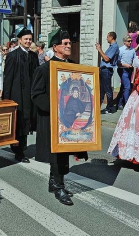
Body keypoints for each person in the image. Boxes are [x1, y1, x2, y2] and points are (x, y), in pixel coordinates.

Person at [31, 28, 88, 205]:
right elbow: (36, 94)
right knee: (57, 154)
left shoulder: (73, 67)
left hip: (69, 119)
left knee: (62, 153)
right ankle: (59, 186)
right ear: (55, 47)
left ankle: (54, 182)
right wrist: (56, 107)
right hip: (52, 118)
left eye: (70, 43)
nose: (69, 46)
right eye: (65, 44)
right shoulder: (44, 69)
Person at [3, 27, 39, 163]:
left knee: (26, 121)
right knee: (18, 123)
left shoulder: (33, 56)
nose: (28, 41)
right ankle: (18, 150)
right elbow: (8, 79)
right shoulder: (13, 56)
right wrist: (6, 99)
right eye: (26, 39)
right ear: (19, 40)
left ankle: (21, 148)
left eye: (30, 39)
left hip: (29, 95)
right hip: (17, 95)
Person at [95, 31, 119, 114]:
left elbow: (106, 59)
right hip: (104, 70)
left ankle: (110, 108)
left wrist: (99, 49)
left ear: (111, 37)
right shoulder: (112, 46)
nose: (106, 38)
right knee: (102, 90)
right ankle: (97, 107)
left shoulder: (114, 46)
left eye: (108, 37)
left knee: (108, 90)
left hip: (107, 70)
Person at [115, 35, 136, 110]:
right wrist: (125, 65)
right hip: (122, 69)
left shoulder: (132, 50)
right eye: (128, 41)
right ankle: (127, 104)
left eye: (131, 41)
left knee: (123, 87)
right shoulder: (121, 50)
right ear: (124, 42)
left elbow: (135, 60)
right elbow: (117, 62)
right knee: (127, 86)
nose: (130, 42)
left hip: (129, 69)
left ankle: (119, 103)